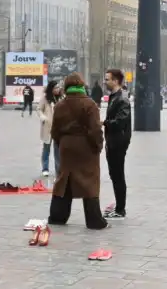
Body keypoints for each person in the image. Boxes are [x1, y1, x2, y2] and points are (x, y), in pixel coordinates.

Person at [49, 72, 107, 230]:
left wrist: (62, 143)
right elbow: (95, 129)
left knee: (64, 179)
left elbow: (55, 130)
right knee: (89, 181)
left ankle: (57, 216)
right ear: (82, 85)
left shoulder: (60, 105)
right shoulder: (90, 104)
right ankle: (94, 220)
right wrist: (98, 145)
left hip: (66, 146)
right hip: (86, 146)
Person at [103, 69, 131, 220]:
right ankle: (119, 205)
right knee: (114, 175)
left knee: (118, 175)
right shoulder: (114, 97)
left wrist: (104, 122)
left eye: (107, 79)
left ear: (115, 81)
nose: (105, 82)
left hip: (118, 142)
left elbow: (120, 122)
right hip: (112, 141)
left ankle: (120, 209)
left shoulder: (122, 99)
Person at [39, 81, 63, 177]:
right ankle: (45, 168)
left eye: (58, 87)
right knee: (46, 148)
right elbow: (39, 109)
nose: (58, 89)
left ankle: (58, 169)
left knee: (58, 150)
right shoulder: (45, 99)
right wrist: (43, 117)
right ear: (51, 89)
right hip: (48, 127)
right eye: (55, 88)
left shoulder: (61, 98)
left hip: (58, 128)